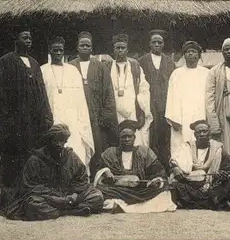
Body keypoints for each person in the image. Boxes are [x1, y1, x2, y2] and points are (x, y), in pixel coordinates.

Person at [0, 26, 53, 210]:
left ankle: (25, 195)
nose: (28, 40)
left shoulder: (34, 64)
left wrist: (45, 116)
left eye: (30, 38)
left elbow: (42, 94)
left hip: (31, 126)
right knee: (8, 163)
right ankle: (2, 197)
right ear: (15, 40)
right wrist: (6, 120)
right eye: (24, 37)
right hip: (13, 126)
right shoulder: (5, 62)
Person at [3, 124, 104, 221]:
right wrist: (57, 197)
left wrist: (74, 194)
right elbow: (30, 186)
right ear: (49, 141)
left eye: (63, 141)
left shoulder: (71, 156)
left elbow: (81, 179)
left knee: (97, 196)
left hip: (70, 196)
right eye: (56, 141)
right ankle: (69, 212)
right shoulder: (35, 159)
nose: (60, 145)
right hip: (49, 198)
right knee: (32, 204)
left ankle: (64, 209)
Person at [94, 120, 176, 213]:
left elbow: (158, 171)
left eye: (130, 136)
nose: (127, 139)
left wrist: (155, 181)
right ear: (119, 138)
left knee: (164, 189)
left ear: (134, 137)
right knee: (100, 190)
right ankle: (122, 204)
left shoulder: (144, 152)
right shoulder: (110, 153)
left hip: (140, 190)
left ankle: (119, 205)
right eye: (124, 137)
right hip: (118, 190)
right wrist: (106, 170)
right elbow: (99, 168)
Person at [69, 31, 118, 180]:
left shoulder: (100, 67)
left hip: (96, 117)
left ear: (92, 49)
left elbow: (108, 92)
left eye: (87, 45)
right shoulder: (70, 66)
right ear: (77, 48)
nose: (85, 48)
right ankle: (80, 177)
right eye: (82, 45)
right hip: (77, 116)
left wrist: (105, 116)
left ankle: (97, 179)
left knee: (98, 147)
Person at [40, 36, 94, 169]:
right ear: (50, 51)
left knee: (74, 149)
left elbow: (80, 99)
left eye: (61, 50)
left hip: (72, 120)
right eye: (55, 50)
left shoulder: (73, 71)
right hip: (52, 118)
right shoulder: (42, 70)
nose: (58, 53)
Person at [169, 120, 230, 211]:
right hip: (192, 185)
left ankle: (197, 203)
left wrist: (223, 174)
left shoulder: (218, 148)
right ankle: (213, 202)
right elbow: (174, 162)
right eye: (199, 132)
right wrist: (175, 168)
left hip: (212, 185)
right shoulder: (187, 147)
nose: (202, 134)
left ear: (210, 133)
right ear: (195, 135)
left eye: (205, 131)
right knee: (176, 186)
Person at [138, 29, 176, 169]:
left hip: (165, 105)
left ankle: (165, 167)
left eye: (159, 42)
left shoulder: (170, 63)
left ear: (163, 44)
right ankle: (151, 167)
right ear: (150, 44)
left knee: (165, 136)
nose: (157, 44)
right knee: (150, 135)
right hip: (149, 105)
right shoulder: (141, 61)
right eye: (154, 42)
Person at [106, 33, 153, 147]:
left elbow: (143, 88)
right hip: (114, 112)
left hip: (133, 112)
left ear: (127, 50)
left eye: (123, 48)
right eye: (118, 48)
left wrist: (143, 110)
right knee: (116, 142)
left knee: (135, 142)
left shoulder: (135, 66)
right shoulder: (106, 67)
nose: (120, 50)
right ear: (114, 50)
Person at [165, 41, 210, 156]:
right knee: (180, 146)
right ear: (184, 55)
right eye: (188, 52)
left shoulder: (206, 73)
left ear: (199, 55)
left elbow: (210, 97)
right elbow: (171, 96)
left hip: (200, 115)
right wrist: (173, 118)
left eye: (193, 52)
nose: (190, 54)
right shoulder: (176, 73)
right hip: (181, 117)